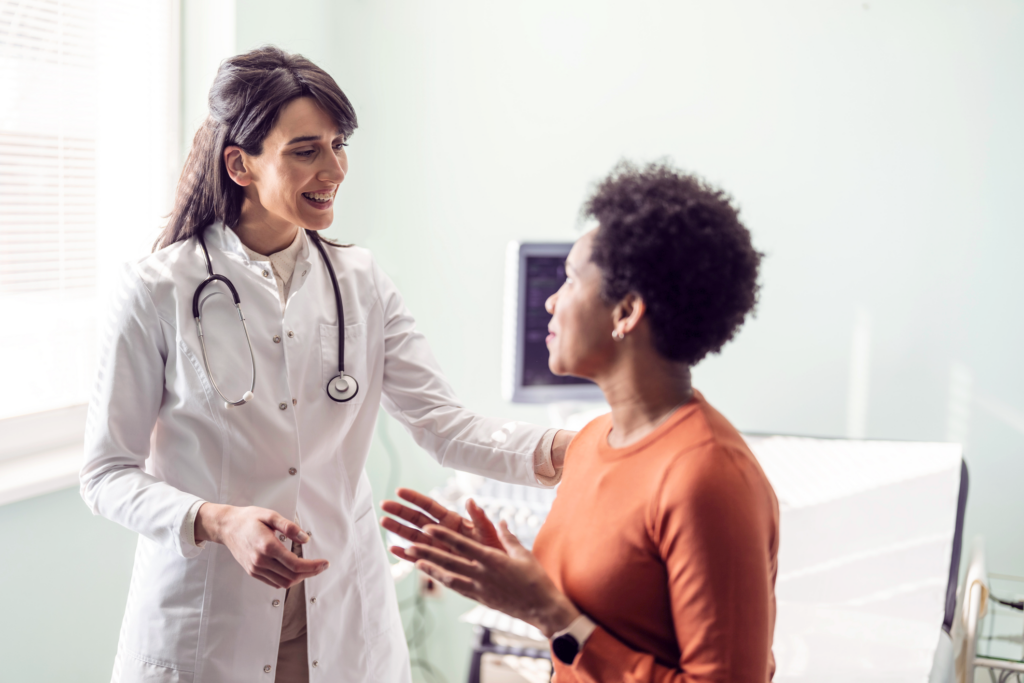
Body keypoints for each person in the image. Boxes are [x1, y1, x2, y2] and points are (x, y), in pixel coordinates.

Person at [78, 46, 572, 683]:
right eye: (305, 150)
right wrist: (217, 520)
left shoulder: (361, 282)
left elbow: (445, 426)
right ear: (240, 165)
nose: (334, 168)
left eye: (339, 145)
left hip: (340, 616)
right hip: (209, 621)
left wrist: (586, 450)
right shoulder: (157, 290)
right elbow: (105, 473)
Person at [382, 161, 779, 682]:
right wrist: (503, 577)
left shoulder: (708, 477)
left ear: (626, 312)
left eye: (569, 279)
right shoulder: (593, 443)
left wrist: (549, 613)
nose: (550, 300)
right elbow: (609, 610)